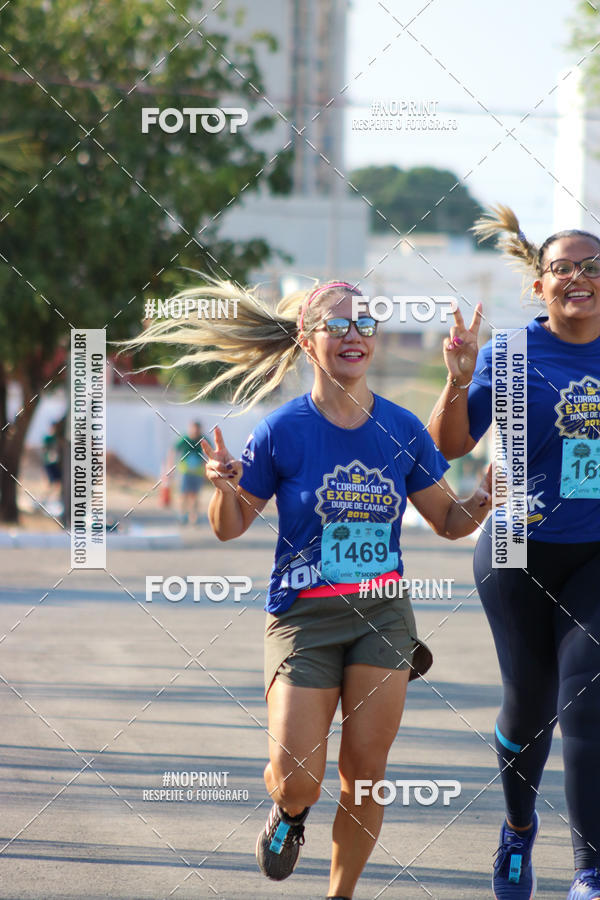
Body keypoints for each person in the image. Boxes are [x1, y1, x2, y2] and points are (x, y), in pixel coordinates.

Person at [130, 277, 493, 899]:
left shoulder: (404, 428)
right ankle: (290, 813)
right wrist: (223, 489)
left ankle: (340, 894)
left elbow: (450, 522)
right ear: (307, 338)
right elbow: (231, 526)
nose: (355, 336)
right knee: (300, 776)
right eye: (338, 325)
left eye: (365, 325)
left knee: (367, 774)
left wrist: (488, 493)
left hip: (383, 616)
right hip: (305, 618)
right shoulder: (282, 431)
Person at [428, 206, 600, 900]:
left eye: (592, 267)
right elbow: (449, 445)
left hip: (597, 554)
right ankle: (518, 828)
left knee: (586, 703)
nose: (579, 278)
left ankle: (590, 870)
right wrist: (455, 375)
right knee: (528, 711)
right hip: (516, 550)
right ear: (541, 284)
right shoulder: (510, 352)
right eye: (564, 268)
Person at [168, 420, 206, 525]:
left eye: (197, 429)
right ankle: (182, 515)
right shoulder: (185, 439)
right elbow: (173, 450)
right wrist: (171, 466)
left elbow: (210, 453)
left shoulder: (203, 440)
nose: (195, 431)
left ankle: (194, 517)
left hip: (198, 471)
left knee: (195, 495)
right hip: (185, 471)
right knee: (183, 494)